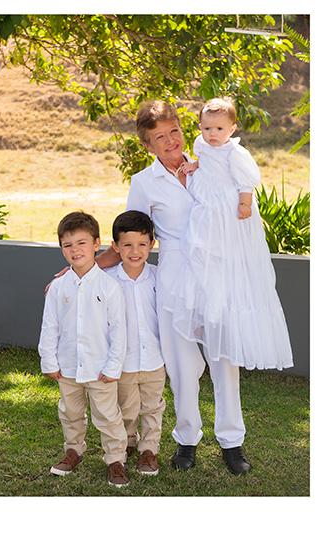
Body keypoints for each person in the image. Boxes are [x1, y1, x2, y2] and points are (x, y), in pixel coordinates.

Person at [92, 100, 254, 475]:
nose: (171, 141)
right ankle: (187, 440)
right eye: (160, 137)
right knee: (182, 367)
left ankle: (232, 442)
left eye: (174, 131)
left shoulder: (212, 164)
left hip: (217, 276)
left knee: (225, 361)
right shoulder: (144, 183)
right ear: (147, 145)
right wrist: (81, 270)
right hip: (175, 279)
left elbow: (240, 210)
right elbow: (130, 236)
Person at [172, 97, 294, 371]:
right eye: (207, 128)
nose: (212, 135)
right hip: (208, 205)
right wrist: (195, 166)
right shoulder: (201, 145)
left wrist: (244, 203)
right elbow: (206, 163)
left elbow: (245, 181)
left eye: (219, 129)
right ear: (200, 127)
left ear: (232, 129)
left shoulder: (235, 153)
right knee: (201, 249)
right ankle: (207, 310)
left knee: (226, 252)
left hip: (228, 207)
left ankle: (226, 317)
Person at [37, 211, 130, 487]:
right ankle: (73, 450)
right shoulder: (58, 287)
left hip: (100, 368)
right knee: (70, 412)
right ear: (61, 248)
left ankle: (115, 459)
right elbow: (49, 326)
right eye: (67, 245)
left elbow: (118, 330)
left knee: (108, 416)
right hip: (67, 366)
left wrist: (113, 366)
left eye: (81, 243)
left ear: (96, 244)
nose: (75, 250)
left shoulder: (110, 286)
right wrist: (49, 361)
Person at [105, 210, 167, 476]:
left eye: (142, 244)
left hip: (154, 358)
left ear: (152, 244)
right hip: (124, 361)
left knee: (153, 408)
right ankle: (128, 441)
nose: (135, 251)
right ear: (116, 247)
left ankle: (149, 450)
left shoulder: (159, 276)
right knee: (126, 409)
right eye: (127, 245)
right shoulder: (107, 280)